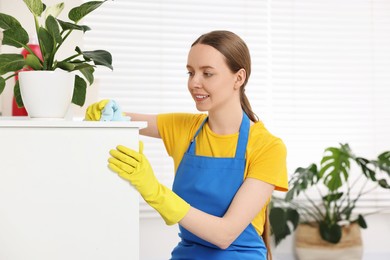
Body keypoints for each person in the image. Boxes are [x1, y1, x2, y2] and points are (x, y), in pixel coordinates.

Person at [85, 30, 288, 260]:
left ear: (239, 78)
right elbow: (124, 120)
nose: (194, 83)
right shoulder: (185, 128)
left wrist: (154, 191)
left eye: (207, 73)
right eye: (190, 72)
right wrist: (106, 113)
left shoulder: (268, 147)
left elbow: (225, 234)